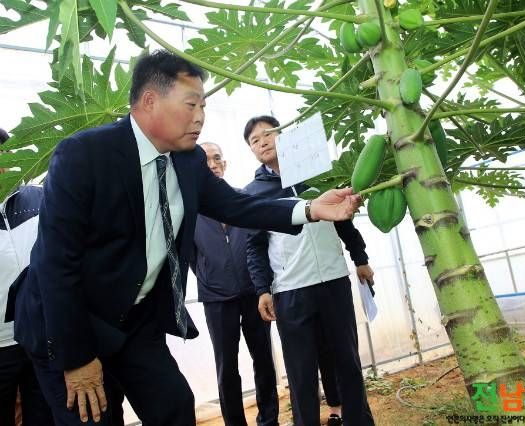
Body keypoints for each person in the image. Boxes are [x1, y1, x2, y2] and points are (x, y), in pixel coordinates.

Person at [9, 51, 360, 426]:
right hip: (67, 321)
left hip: (132, 321)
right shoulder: (84, 155)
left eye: (203, 106)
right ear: (150, 101)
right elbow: (55, 264)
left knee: (175, 407)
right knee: (94, 418)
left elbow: (238, 206)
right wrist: (77, 358)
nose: (200, 116)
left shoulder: (188, 160)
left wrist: (311, 209)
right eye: (191, 104)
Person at [243, 116, 375, 426]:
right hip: (290, 289)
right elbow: (255, 246)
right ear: (251, 149)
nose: (262, 142)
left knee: (348, 362)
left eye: (267, 134)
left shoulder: (318, 174)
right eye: (254, 140)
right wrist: (262, 289)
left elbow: (344, 221)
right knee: (301, 373)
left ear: (284, 136)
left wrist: (360, 258)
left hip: (333, 280)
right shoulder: (253, 192)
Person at [190, 142, 279, 426]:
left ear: (224, 164)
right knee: (226, 366)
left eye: (217, 158)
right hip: (216, 298)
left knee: (263, 359)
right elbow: (190, 255)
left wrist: (262, 285)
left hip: (254, 293)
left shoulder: (243, 199)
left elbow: (260, 243)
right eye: (205, 161)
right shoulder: (190, 209)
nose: (212, 165)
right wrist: (208, 276)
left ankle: (269, 420)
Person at [0, 128, 54, 425]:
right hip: (0, 342)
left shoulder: (41, 198)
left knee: (43, 416)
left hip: (40, 335)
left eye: (3, 152)